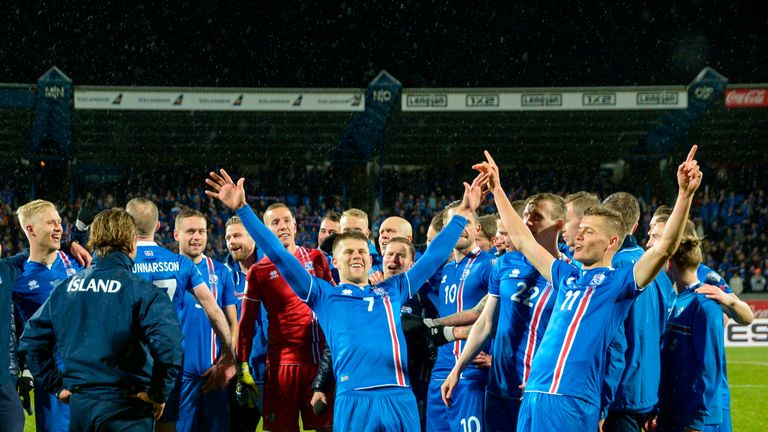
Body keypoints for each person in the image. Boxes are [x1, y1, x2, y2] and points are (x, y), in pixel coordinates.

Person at [205, 168, 486, 431]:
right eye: (348, 251)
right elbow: (277, 254)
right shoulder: (324, 295)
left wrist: (464, 212)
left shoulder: (395, 288)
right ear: (334, 261)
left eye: (362, 251)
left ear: (371, 256)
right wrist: (243, 209)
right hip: (353, 401)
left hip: (399, 396)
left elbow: (436, 254)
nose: (356, 256)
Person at [473, 147, 701, 431]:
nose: (578, 235)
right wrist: (497, 189)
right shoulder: (565, 275)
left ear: (612, 242)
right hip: (534, 393)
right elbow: (523, 240)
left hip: (572, 401)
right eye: (579, 229)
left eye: (589, 231)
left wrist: (685, 195)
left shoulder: (619, 283)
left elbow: (664, 248)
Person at [18, 208, 183, 431]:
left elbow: (31, 340)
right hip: (129, 407)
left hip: (82, 408)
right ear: (132, 243)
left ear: (94, 241)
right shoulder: (142, 290)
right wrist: (158, 393)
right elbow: (170, 348)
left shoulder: (67, 288)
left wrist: (56, 386)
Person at [441, 193, 565, 432]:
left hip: (537, 389)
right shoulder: (507, 264)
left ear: (558, 224)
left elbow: (567, 340)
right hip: (498, 387)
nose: (527, 221)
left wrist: (546, 377)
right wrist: (457, 369)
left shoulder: (568, 275)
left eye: (536, 216)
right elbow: (486, 322)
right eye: (525, 215)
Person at [126, 198, 235, 432]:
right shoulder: (179, 263)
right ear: (158, 227)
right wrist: (228, 353)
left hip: (131, 360)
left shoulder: (120, 263)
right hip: (168, 361)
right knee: (167, 425)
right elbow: (215, 311)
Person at [237, 203, 334, 432]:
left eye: (285, 221)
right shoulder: (259, 271)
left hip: (318, 364)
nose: (282, 226)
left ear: (295, 225)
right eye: (275, 222)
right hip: (282, 368)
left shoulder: (317, 258)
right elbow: (247, 323)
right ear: (266, 231)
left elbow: (334, 306)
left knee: (326, 427)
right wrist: (243, 364)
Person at [599, 192, 676, 432]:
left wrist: (602, 404)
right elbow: (666, 334)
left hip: (619, 394)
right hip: (649, 390)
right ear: (634, 225)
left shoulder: (614, 270)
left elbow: (614, 343)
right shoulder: (656, 271)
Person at [12, 199, 85, 432]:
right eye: (50, 223)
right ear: (30, 229)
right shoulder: (17, 277)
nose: (59, 228)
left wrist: (73, 241)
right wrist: (19, 368)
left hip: (90, 371)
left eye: (59, 223)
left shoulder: (81, 262)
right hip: (53, 376)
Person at [426, 201, 495, 432]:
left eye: (467, 222)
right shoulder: (444, 271)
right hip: (441, 369)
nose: (462, 229)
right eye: (456, 224)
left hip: (472, 369)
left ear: (477, 229)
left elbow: (494, 315)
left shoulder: (490, 265)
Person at [654, 222, 725, 432]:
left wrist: (697, 421)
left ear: (669, 263)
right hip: (671, 410)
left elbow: (709, 366)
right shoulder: (675, 299)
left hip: (692, 418)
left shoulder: (704, 305)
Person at [174, 209, 239, 432]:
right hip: (177, 378)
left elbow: (233, 323)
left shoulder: (221, 272)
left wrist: (226, 362)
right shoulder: (167, 271)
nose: (197, 237)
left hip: (214, 375)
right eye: (190, 231)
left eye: (201, 231)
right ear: (176, 235)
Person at [223, 215, 262, 432]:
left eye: (237, 235)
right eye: (228, 237)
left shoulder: (271, 269)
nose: (232, 242)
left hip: (270, 370)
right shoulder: (222, 275)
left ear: (254, 237)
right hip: (238, 374)